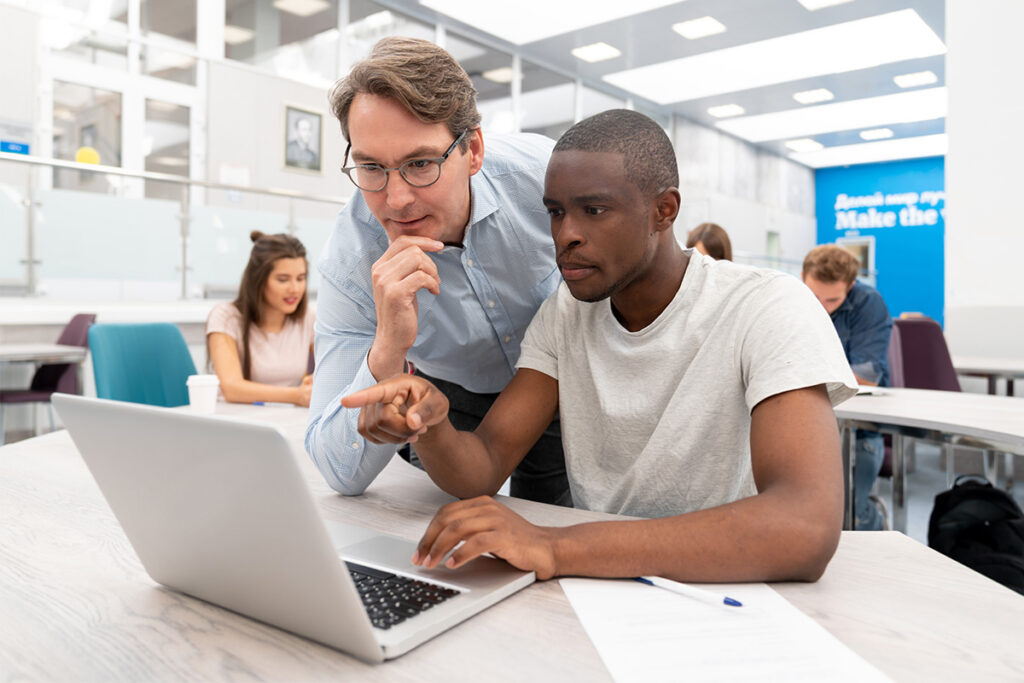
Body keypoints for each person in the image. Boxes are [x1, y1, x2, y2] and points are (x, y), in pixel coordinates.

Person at [341, 110, 859, 583]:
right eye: (555, 212)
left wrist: (557, 547)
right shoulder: (565, 314)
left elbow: (803, 528)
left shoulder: (767, 306)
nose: (565, 235)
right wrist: (430, 427)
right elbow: (484, 463)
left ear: (663, 210)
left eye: (593, 210)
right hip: (603, 592)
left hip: (738, 597)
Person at [304, 37, 570, 505]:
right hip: (449, 394)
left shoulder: (545, 177)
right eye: (371, 168)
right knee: (445, 526)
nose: (397, 199)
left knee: (558, 517)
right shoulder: (353, 258)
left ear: (473, 150)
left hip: (560, 383)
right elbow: (338, 470)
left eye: (421, 163)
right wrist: (387, 349)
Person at [802, 244, 893, 530]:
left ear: (851, 286)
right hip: (806, 419)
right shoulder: (791, 297)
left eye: (832, 300)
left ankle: (872, 519)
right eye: (814, 296)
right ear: (803, 278)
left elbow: (866, 375)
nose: (821, 308)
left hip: (859, 428)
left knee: (846, 514)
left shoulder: (869, 303)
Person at [206, 231, 315, 406]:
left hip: (284, 416)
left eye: (300, 278)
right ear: (259, 280)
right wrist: (296, 395)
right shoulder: (225, 317)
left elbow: (331, 373)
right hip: (233, 418)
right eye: (283, 280)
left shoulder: (309, 319)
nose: (295, 289)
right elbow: (231, 387)